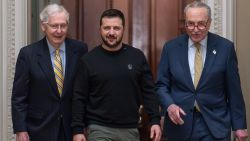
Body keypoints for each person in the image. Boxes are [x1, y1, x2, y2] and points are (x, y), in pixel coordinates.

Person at [156, 1, 248, 141]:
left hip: (214, 125)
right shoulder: (171, 48)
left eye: (201, 24)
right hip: (180, 124)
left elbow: (234, 90)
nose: (195, 29)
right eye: (190, 24)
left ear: (209, 23)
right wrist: (169, 105)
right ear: (185, 23)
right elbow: (161, 85)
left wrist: (239, 126)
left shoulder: (225, 48)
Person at [71, 9, 161, 141]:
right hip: (98, 128)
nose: (111, 32)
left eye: (116, 28)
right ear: (100, 29)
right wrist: (77, 130)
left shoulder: (137, 57)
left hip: (130, 130)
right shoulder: (88, 60)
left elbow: (149, 92)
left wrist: (155, 120)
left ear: (123, 29)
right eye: (107, 28)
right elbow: (79, 97)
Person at [11, 3, 88, 141]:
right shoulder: (28, 54)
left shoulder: (80, 50)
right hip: (38, 128)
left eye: (63, 26)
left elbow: (82, 92)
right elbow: (19, 97)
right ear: (43, 26)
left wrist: (80, 127)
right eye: (54, 26)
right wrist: (20, 129)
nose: (59, 31)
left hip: (70, 129)